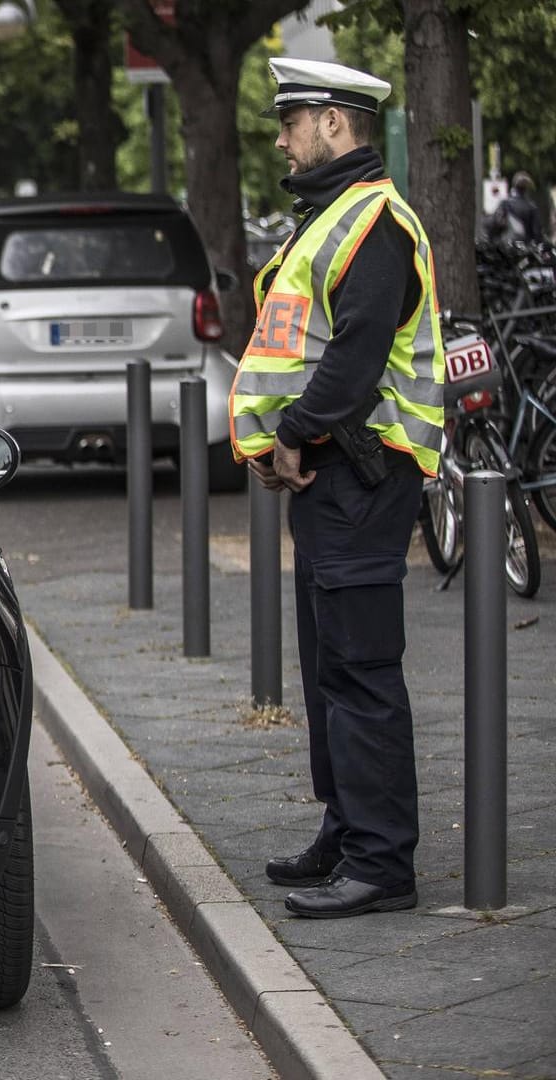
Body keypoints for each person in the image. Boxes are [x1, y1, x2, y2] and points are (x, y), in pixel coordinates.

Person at [231, 58, 444, 919]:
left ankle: (383, 864)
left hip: (359, 470)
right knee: (329, 669)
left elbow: (353, 363)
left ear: (334, 122)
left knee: (360, 671)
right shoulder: (329, 218)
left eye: (291, 122)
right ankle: (345, 829)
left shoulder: (373, 224)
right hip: (331, 479)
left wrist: (288, 434)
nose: (281, 140)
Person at [487, 171, 544, 244]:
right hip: (526, 249)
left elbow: (493, 225)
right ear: (527, 188)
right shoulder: (531, 207)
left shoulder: (505, 204)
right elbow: (537, 233)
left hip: (506, 248)